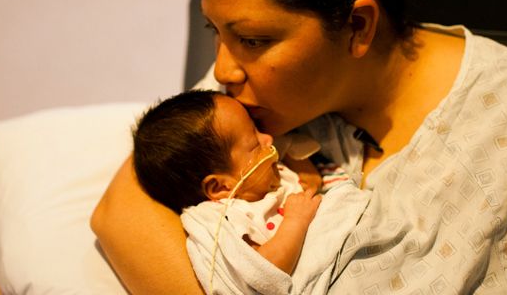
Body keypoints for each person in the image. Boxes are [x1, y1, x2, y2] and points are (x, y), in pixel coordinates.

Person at [91, 0, 507, 293]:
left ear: (357, 26)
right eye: (213, 30)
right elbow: (120, 212)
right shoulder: (254, 101)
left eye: (253, 40)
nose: (221, 69)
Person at [132, 90, 371, 294]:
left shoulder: (268, 173)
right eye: (255, 144)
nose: (268, 139)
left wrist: (291, 151)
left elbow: (310, 184)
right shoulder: (226, 217)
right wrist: (295, 220)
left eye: (257, 129)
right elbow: (264, 269)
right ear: (220, 187)